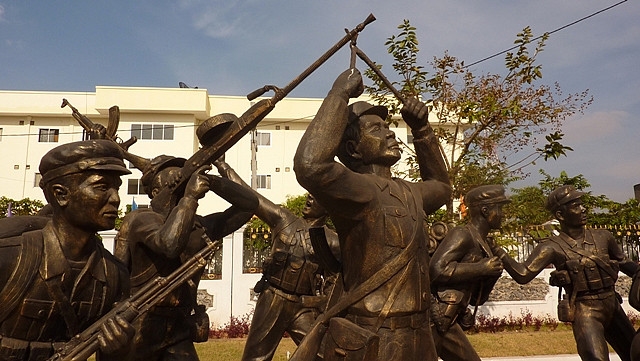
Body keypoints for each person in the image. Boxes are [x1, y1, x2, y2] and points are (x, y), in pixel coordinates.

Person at [293, 68, 451, 361]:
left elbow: (442, 187)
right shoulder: (358, 190)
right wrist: (338, 94)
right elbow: (310, 166)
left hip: (420, 335)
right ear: (353, 149)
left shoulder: (410, 192)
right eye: (376, 129)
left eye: (387, 127)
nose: (390, 132)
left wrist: (422, 130)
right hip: (378, 336)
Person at [0, 139, 135, 361]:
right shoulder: (11, 258)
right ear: (61, 194)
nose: (115, 198)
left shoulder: (115, 275)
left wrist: (118, 350)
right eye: (102, 187)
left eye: (116, 187)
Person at [114, 155, 258, 361]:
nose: (182, 180)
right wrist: (189, 198)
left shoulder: (198, 227)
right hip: (139, 324)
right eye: (176, 179)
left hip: (177, 326)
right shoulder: (140, 219)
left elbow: (249, 205)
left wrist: (212, 181)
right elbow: (169, 244)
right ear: (156, 192)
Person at [492, 185, 638, 361]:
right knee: (595, 357)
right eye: (576, 206)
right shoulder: (551, 247)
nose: (583, 209)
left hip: (613, 305)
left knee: (635, 353)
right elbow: (523, 274)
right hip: (586, 310)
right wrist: (499, 252)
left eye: (582, 204)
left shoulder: (603, 237)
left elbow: (626, 264)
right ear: (560, 215)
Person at [214, 159, 340, 361]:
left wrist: (324, 301)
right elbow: (251, 196)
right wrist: (222, 167)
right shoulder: (284, 219)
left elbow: (343, 274)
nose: (309, 198)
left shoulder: (333, 241)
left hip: (303, 306)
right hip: (273, 298)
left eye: (316, 196)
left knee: (324, 354)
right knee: (257, 358)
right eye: (309, 193)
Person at [429, 185, 507, 361]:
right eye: (499, 208)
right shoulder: (463, 234)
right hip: (436, 316)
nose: (503, 214)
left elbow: (476, 298)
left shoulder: (483, 244)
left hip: (449, 319)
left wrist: (491, 276)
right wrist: (481, 268)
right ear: (485, 210)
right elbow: (436, 270)